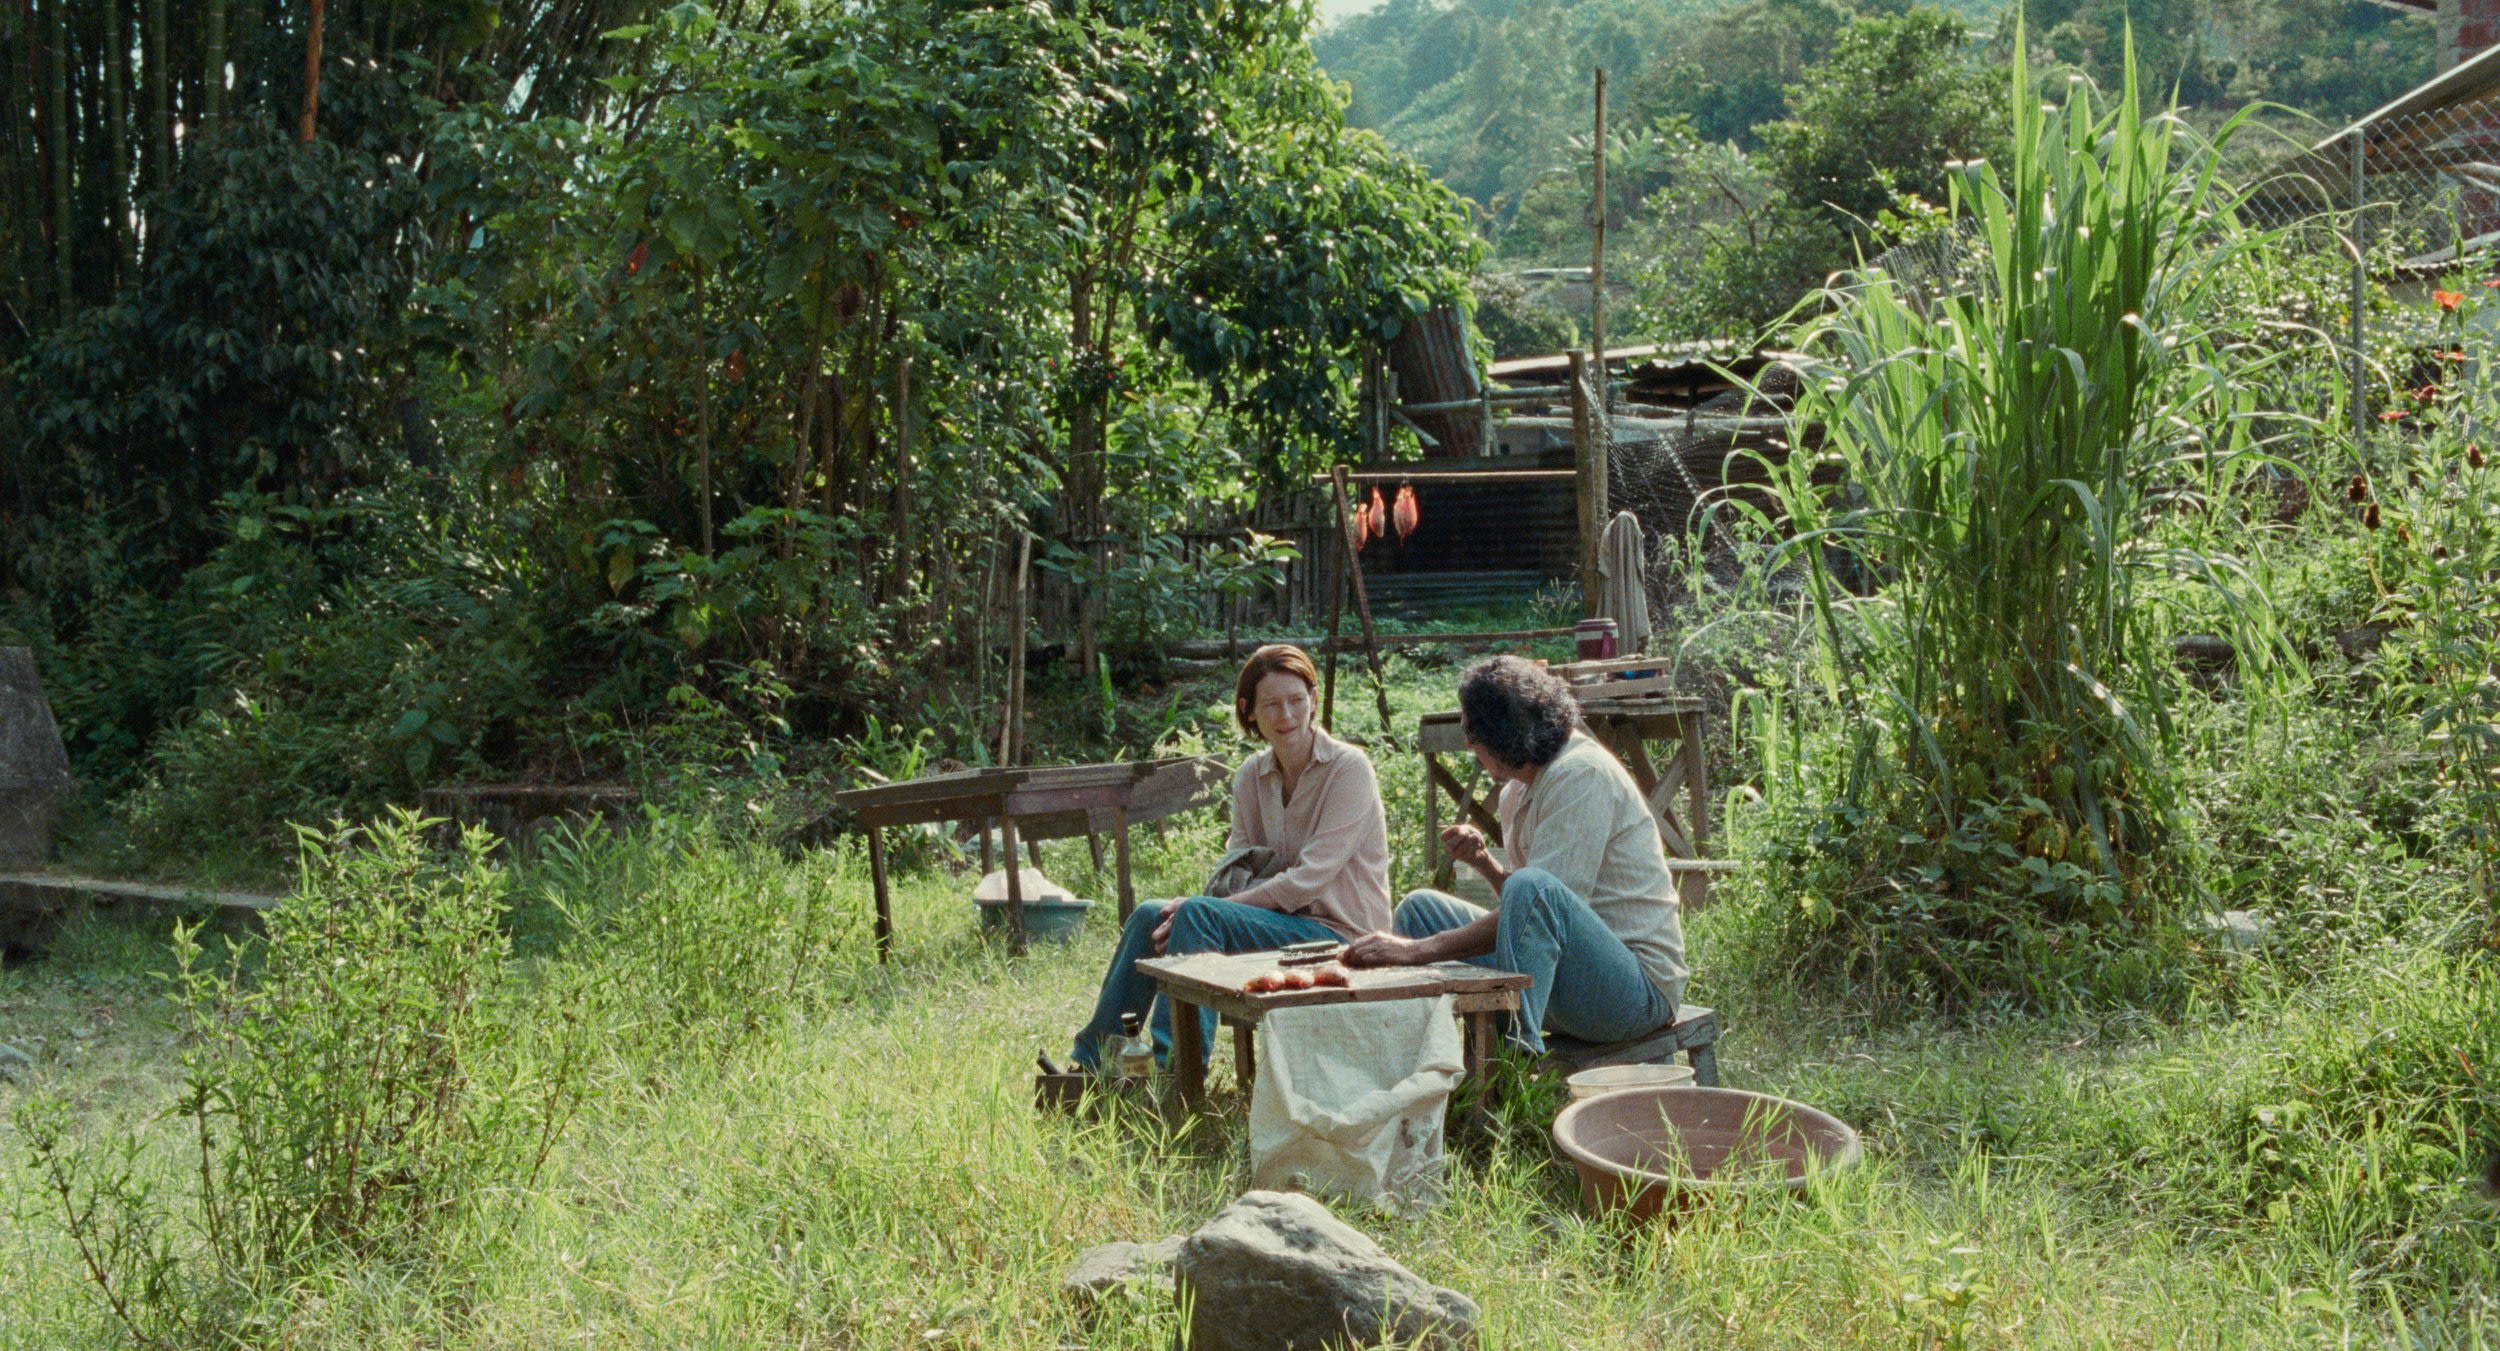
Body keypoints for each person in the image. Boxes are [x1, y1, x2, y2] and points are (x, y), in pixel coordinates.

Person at [1063, 644, 1392, 1071]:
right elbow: (1238, 869)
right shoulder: (1252, 775)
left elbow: (1307, 880)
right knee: (1150, 915)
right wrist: (1203, 909)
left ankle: (1174, 1072)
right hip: (1280, 927)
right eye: (1271, 704)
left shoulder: (1349, 769)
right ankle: (1091, 1065)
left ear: (1313, 700)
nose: (1287, 715)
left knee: (1198, 913)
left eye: (1296, 700)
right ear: (1248, 711)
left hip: (1343, 937)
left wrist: (1207, 910)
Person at [1342, 655, 1687, 1054]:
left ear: (1504, 736)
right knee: (1420, 911)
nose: (1470, 746)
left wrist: (1418, 951)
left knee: (1525, 889)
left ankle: (1512, 1065)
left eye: (1473, 733)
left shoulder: (1581, 773)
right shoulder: (1517, 791)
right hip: (1563, 983)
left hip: (1634, 995)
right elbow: (1530, 918)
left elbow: (1539, 898)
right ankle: (1418, 1061)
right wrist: (1485, 865)